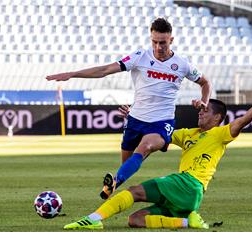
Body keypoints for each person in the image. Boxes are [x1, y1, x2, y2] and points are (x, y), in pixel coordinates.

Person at [62, 89, 252, 230]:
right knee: (135, 220)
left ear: (217, 117)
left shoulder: (221, 134)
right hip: (189, 197)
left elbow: (242, 122)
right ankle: (188, 221)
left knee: (134, 191)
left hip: (189, 183)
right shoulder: (188, 134)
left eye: (206, 111)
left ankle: (92, 218)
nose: (200, 113)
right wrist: (134, 118)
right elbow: (157, 136)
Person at [46, 18, 212, 199]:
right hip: (135, 120)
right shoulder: (140, 56)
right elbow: (105, 70)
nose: (158, 47)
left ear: (171, 40)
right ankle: (116, 185)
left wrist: (204, 101)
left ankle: (115, 182)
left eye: (162, 42)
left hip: (161, 122)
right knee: (126, 164)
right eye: (154, 42)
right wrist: (73, 74)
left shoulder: (182, 64)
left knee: (145, 146)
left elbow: (205, 82)